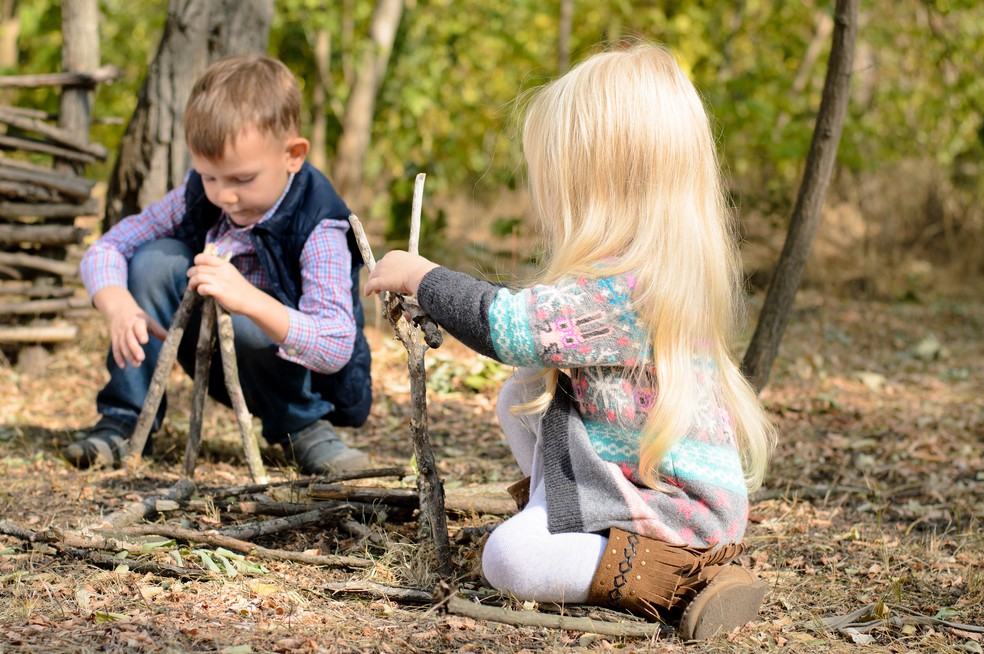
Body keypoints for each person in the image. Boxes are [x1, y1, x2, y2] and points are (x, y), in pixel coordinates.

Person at [363, 43, 776, 639]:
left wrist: (424, 279)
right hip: (632, 475)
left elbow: (510, 326)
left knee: (508, 560)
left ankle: (684, 580)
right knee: (522, 394)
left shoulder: (628, 290)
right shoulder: (640, 273)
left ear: (601, 184)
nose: (547, 200)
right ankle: (563, 520)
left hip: (677, 511)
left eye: (559, 182)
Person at [65, 55, 373, 474]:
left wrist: (248, 299)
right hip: (215, 355)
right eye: (210, 177)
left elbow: (336, 344)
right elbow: (108, 246)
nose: (224, 196)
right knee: (154, 260)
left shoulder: (318, 223)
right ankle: (124, 420)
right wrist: (116, 302)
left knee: (252, 310)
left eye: (242, 180)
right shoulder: (197, 195)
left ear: (293, 155)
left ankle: (303, 428)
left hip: (290, 375)